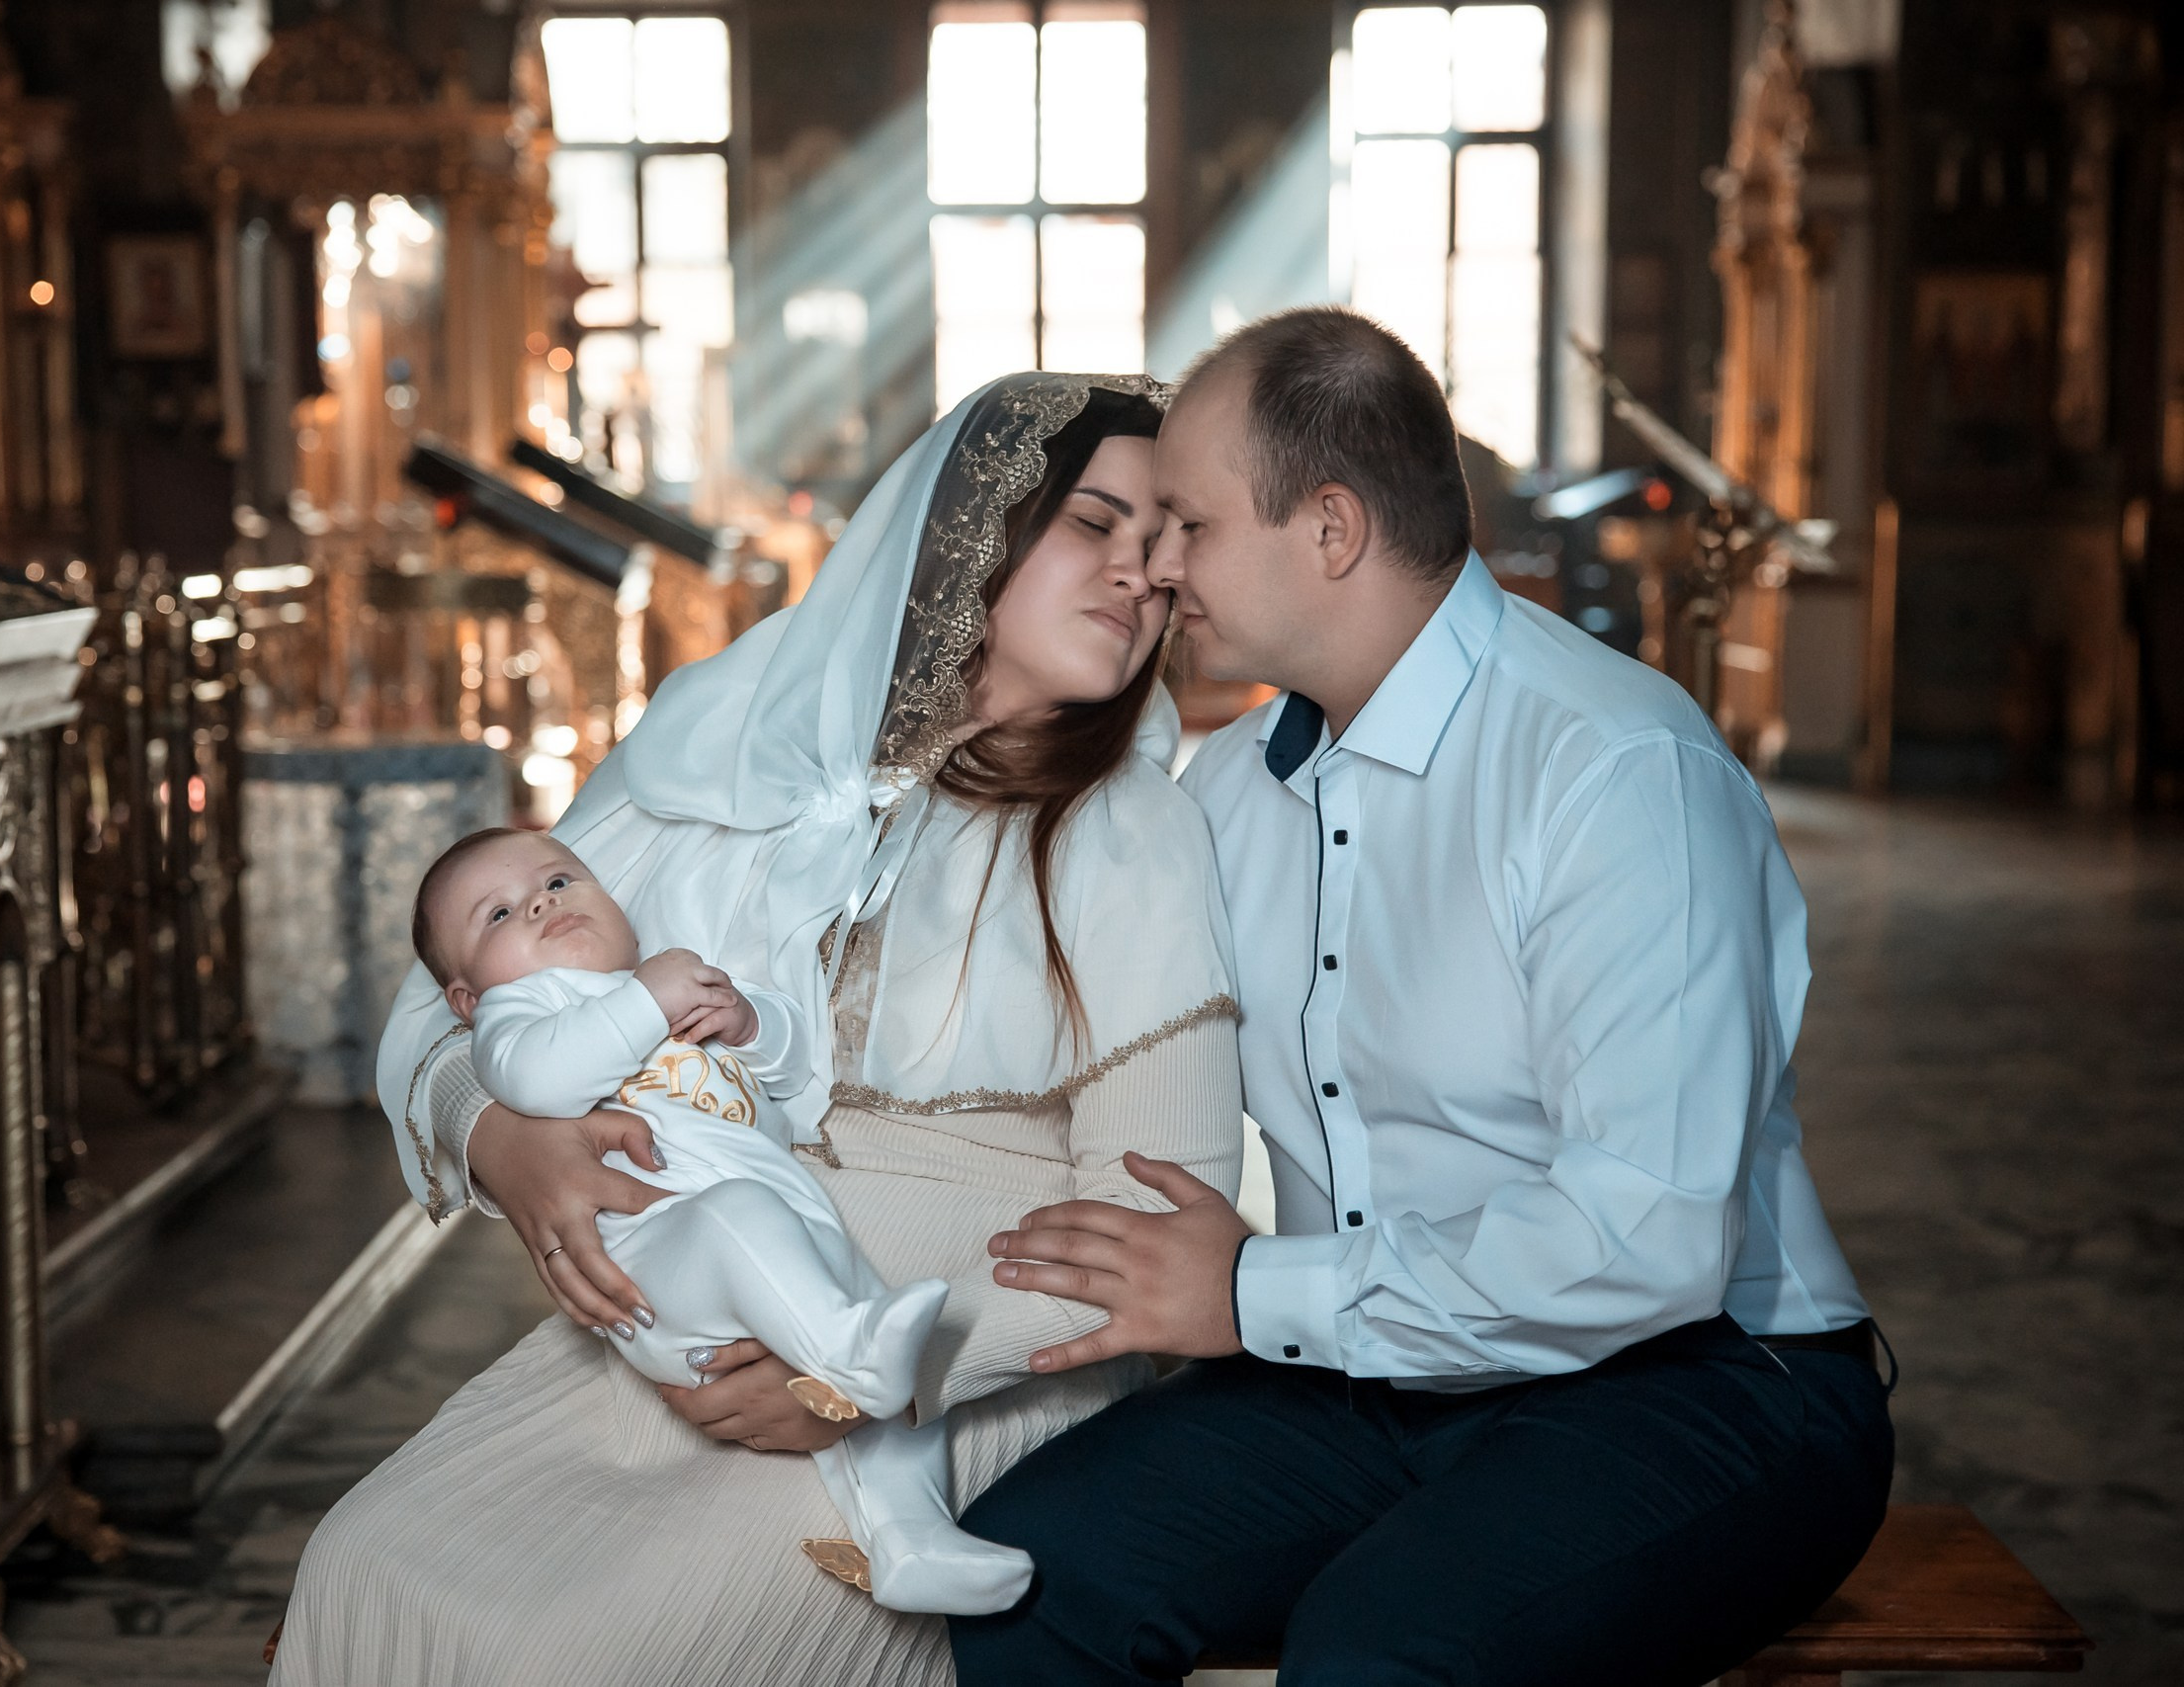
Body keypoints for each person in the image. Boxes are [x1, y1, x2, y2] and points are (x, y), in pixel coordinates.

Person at [951, 307, 1895, 1686]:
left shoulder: (1615, 769)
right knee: (1019, 1575)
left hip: (1705, 1380)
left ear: (1330, 528)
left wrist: (1252, 1288)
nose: (1158, 569)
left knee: (1382, 1650)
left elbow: (1651, 1236)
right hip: (1367, 1371)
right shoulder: (1224, 794)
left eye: (1191, 525)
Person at [270, 375, 1243, 1686]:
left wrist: (871, 1374)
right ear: (969, 528)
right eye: (1095, 522)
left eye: (1166, 545)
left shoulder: (1136, 833)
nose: (1142, 574)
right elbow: (448, 1001)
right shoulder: (732, 737)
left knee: (552, 1649)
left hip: (955, 1356)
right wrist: (506, 1137)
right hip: (686, 1308)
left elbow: (1160, 1221)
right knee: (365, 1563)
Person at [407, 823, 1032, 1614]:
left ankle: (914, 1538)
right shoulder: (521, 1013)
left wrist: (749, 1023)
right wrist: (647, 999)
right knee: (752, 1228)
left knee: (879, 1354)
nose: (540, 902)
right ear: (467, 999)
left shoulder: (669, 983)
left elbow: (792, 1073)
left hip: (778, 1230)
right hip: (658, 1259)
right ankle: (852, 1359)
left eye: (558, 881)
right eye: (498, 914)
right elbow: (538, 1078)